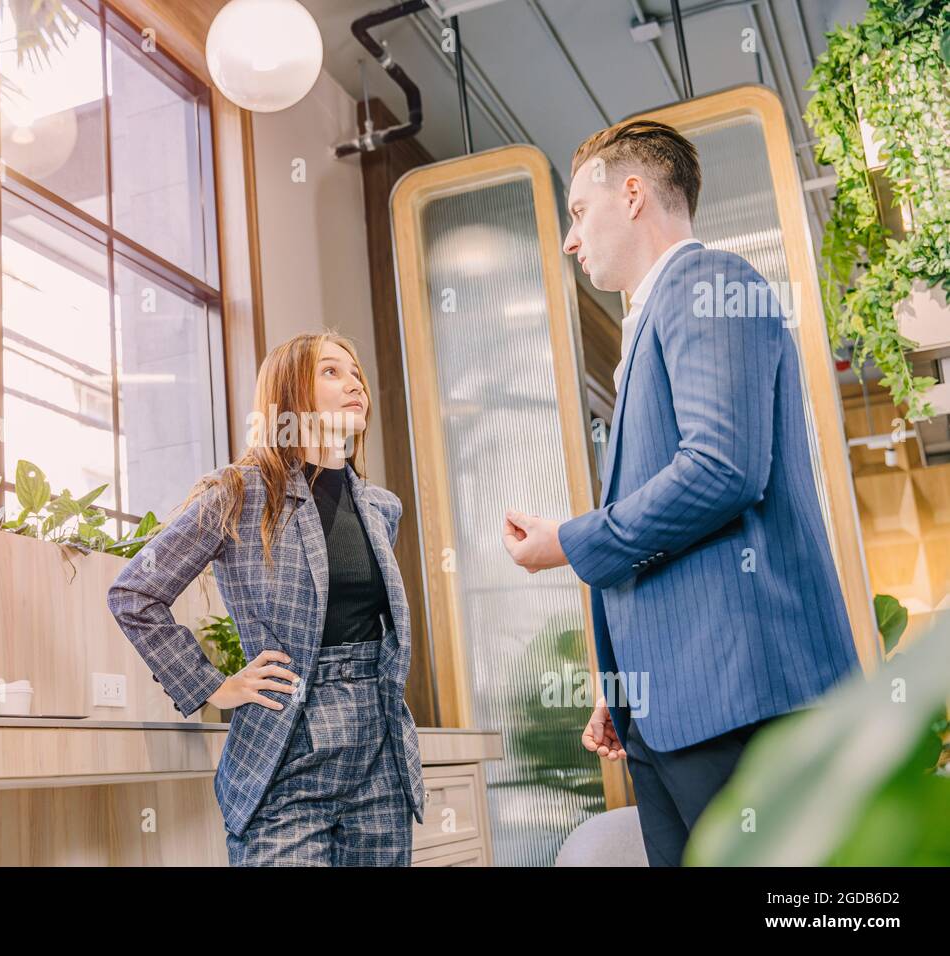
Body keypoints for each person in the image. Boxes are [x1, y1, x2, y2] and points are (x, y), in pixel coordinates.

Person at [501, 119, 860, 865]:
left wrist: (569, 542)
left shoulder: (711, 284)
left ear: (631, 194)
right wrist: (621, 685)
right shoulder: (653, 323)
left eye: (577, 213)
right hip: (673, 710)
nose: (571, 242)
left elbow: (722, 470)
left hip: (739, 699)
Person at [107, 330, 425, 866]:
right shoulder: (238, 492)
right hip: (284, 757)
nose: (354, 385)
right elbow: (136, 592)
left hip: (380, 761)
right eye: (331, 372)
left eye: (356, 373)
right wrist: (213, 686)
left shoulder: (381, 506)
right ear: (289, 395)